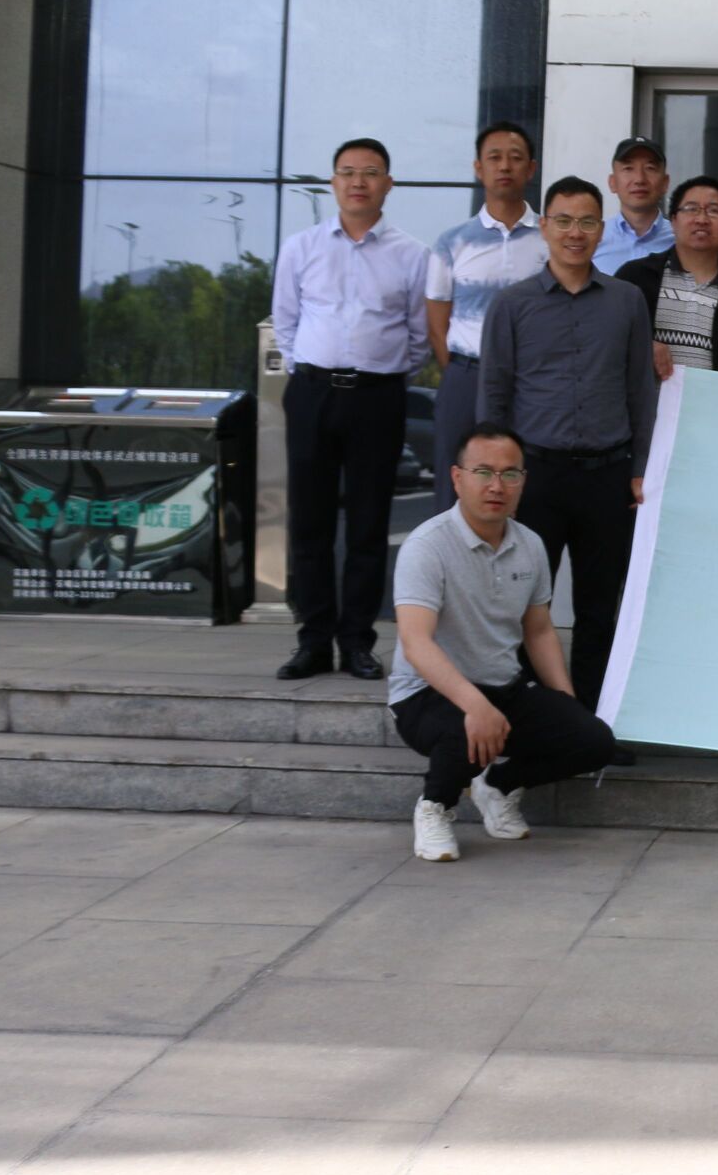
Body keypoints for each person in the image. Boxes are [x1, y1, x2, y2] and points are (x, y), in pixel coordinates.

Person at [391, 422, 624, 862]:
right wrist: (475, 706)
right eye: (483, 472)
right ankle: (434, 806)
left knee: (592, 739)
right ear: (457, 477)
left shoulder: (530, 545)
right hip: (426, 695)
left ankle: (498, 786)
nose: (496, 486)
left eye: (509, 474)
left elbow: (538, 630)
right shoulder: (427, 546)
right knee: (466, 729)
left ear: (523, 481)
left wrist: (566, 701)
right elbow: (416, 643)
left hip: (503, 687)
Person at [480, 175, 658, 711]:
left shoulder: (626, 301)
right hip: (536, 477)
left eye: (586, 222)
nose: (574, 232)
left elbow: (640, 389)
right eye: (563, 221)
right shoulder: (512, 305)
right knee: (523, 604)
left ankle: (594, 721)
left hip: (608, 476)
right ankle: (532, 718)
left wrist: (641, 467)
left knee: (601, 608)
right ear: (544, 226)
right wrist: (496, 478)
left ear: (601, 230)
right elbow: (494, 395)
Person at [270, 137, 429, 683]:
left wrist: (381, 377)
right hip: (312, 392)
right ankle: (313, 641)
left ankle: (358, 642)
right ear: (333, 182)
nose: (358, 181)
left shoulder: (411, 254)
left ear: (388, 183)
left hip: (377, 397)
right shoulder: (301, 247)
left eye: (370, 172)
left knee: (368, 524)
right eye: (347, 172)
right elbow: (285, 323)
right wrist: (312, 374)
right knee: (309, 523)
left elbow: (418, 336)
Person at [424, 122, 545, 509]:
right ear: (479, 168)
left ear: (531, 168)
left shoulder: (549, 238)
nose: (504, 166)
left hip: (531, 381)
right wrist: (465, 371)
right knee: (457, 487)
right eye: (494, 158)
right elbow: (437, 324)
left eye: (515, 158)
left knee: (525, 487)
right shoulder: (452, 241)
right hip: (466, 377)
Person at [615, 176, 718, 378]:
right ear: (673, 220)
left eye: (714, 211)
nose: (702, 219)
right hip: (647, 398)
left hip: (713, 398)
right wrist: (642, 347)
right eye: (691, 209)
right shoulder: (635, 277)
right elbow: (607, 337)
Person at [591, 136, 673, 273]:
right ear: (612, 182)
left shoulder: (681, 241)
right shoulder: (593, 241)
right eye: (628, 168)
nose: (639, 179)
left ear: (665, 183)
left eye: (650, 168)